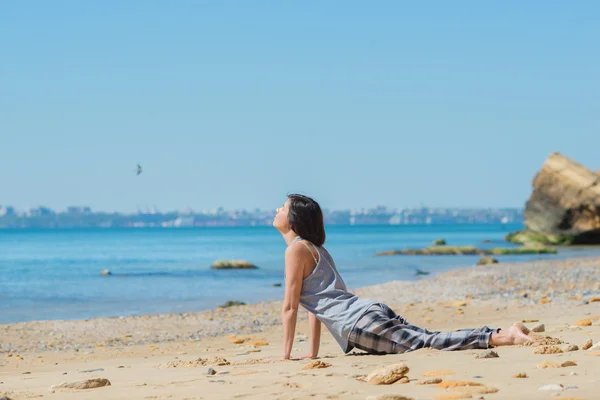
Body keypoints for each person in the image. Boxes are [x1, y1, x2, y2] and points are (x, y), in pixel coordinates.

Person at [272, 194, 534, 360]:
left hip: (360, 323)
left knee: (428, 342)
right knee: (428, 338)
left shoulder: (296, 249)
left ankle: (502, 336)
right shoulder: (315, 248)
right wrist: (312, 352)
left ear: (293, 220)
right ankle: (499, 334)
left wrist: (285, 356)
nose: (277, 209)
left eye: (282, 208)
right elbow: (316, 306)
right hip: (367, 312)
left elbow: (290, 307)